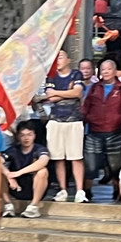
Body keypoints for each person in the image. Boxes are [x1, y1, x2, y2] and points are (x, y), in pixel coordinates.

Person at [81, 57, 121, 204]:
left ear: (115, 71)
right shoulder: (94, 88)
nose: (106, 72)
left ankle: (117, 192)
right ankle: (87, 192)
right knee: (91, 164)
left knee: (115, 166)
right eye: (103, 69)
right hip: (94, 131)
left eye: (109, 69)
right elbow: (86, 106)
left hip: (115, 131)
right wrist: (83, 120)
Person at [40, 51, 88, 203]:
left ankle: (80, 190)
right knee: (58, 157)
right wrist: (68, 92)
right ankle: (62, 190)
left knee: (76, 157)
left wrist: (58, 93)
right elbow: (50, 96)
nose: (58, 61)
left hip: (74, 120)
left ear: (68, 60)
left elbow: (78, 93)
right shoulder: (51, 76)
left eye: (60, 58)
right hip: (55, 120)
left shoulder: (76, 74)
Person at [0, 120, 49, 219]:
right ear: (18, 136)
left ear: (34, 136)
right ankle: (8, 205)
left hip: (34, 186)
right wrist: (8, 175)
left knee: (43, 171)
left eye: (29, 135)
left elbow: (43, 161)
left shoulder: (39, 149)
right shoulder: (14, 150)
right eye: (22, 135)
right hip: (15, 186)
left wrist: (18, 173)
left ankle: (33, 206)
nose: (26, 138)